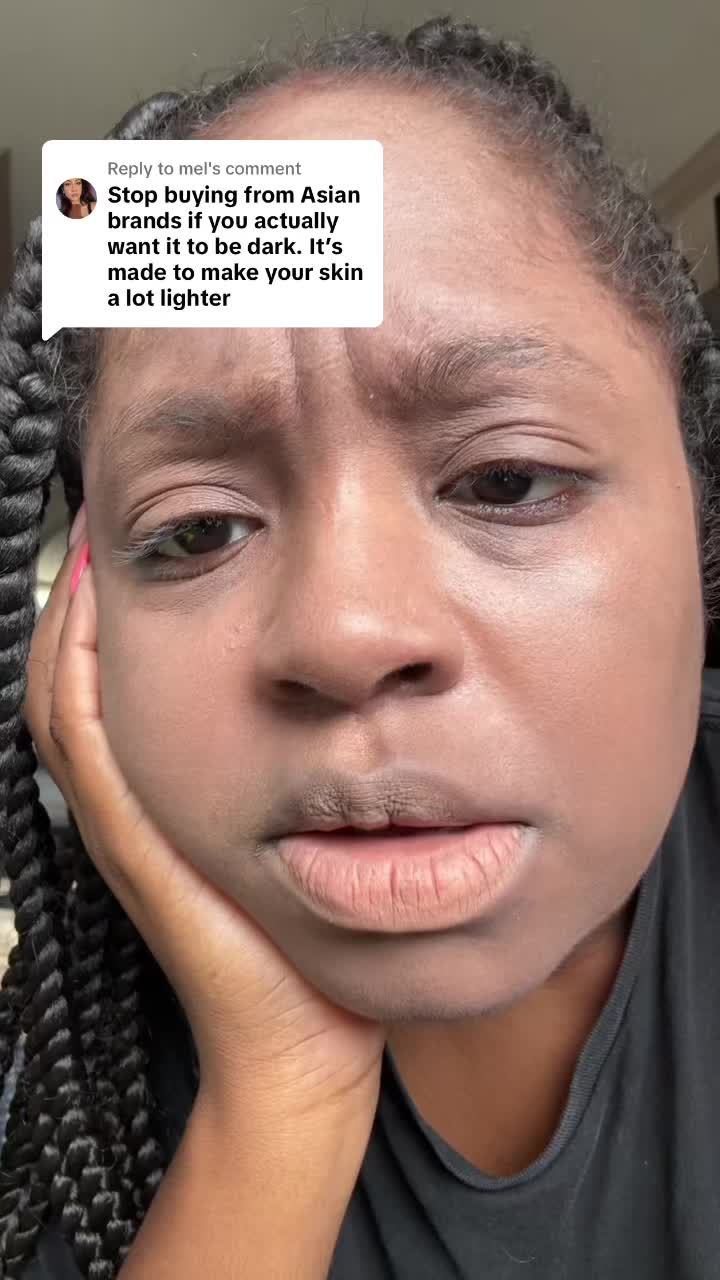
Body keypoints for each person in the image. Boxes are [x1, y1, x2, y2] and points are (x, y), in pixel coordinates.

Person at [0, 14, 719, 1279]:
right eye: (198, 528)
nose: (346, 632)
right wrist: (278, 1093)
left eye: (505, 478)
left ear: (700, 510)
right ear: (83, 642)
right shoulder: (67, 1092)